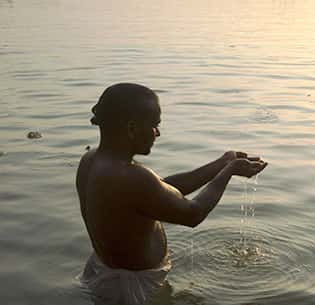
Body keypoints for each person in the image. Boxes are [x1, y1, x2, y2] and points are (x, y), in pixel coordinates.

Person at [76, 83, 268, 305]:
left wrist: (221, 164)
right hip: (134, 290)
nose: (157, 133)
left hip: (105, 273)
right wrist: (229, 172)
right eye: (154, 125)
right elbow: (193, 214)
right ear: (132, 128)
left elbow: (161, 190)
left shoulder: (91, 161)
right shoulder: (131, 176)